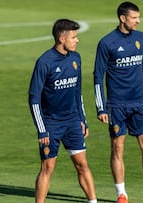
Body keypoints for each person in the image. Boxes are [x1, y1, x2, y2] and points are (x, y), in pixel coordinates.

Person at [93, 2, 143, 203]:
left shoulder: (141, 38)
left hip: (140, 104)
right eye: (134, 17)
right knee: (118, 148)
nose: (138, 21)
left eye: (138, 17)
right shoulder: (106, 43)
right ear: (122, 18)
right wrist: (101, 107)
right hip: (117, 105)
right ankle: (121, 194)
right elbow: (97, 77)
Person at [29, 19, 97, 203]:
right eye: (73, 37)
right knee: (47, 168)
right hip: (51, 125)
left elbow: (77, 92)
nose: (77, 40)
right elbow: (34, 98)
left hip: (73, 123)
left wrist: (82, 119)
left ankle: (93, 201)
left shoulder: (76, 58)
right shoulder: (45, 62)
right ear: (61, 38)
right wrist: (42, 129)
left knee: (82, 165)